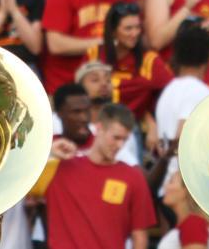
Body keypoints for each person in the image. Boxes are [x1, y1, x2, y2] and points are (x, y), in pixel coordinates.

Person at [44, 102, 157, 249]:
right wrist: (50, 152)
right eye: (116, 137)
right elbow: (23, 178)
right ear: (99, 128)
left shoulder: (133, 177)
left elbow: (139, 236)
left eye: (124, 139)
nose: (120, 145)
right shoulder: (60, 168)